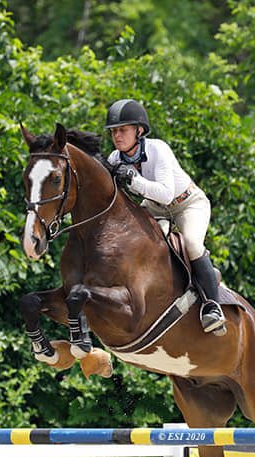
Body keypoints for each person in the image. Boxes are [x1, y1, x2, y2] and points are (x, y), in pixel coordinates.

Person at [104, 98, 226, 335]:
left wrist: (134, 180)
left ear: (139, 131)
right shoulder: (114, 159)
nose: (117, 136)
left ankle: (213, 306)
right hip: (154, 207)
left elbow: (167, 193)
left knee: (191, 243)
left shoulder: (158, 149)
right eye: (114, 132)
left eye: (123, 130)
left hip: (188, 204)